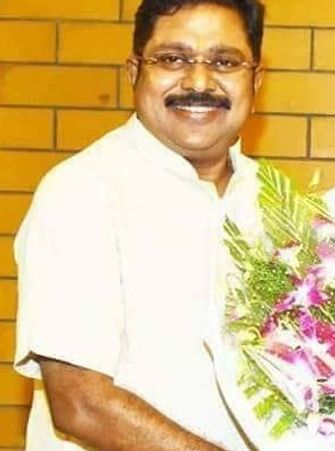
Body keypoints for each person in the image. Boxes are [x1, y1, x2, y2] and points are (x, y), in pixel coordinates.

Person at [14, 0, 265, 449]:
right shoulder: (84, 191)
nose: (199, 82)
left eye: (224, 62)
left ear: (255, 80)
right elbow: (81, 404)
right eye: (173, 59)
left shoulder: (276, 204)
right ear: (134, 72)